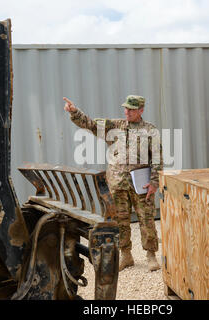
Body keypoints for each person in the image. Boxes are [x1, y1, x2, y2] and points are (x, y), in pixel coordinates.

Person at [63, 95, 163, 272]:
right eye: (126, 108)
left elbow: (157, 158)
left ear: (141, 110)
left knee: (146, 219)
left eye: (131, 109)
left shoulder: (150, 130)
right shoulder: (115, 126)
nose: (127, 112)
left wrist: (154, 181)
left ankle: (150, 255)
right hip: (117, 183)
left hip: (141, 185)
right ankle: (126, 255)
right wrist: (74, 112)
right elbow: (91, 125)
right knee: (120, 221)